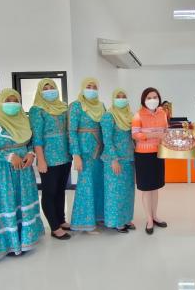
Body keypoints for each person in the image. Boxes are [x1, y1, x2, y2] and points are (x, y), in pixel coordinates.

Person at [0, 89, 44, 261]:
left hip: (23, 172)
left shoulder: (25, 121)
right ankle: (8, 244)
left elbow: (29, 143)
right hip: (2, 175)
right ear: (0, 102)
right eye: (8, 100)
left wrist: (31, 154)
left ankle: (26, 239)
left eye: (15, 100)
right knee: (7, 204)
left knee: (23, 201)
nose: (12, 103)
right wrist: (8, 156)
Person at [29, 79, 72, 240]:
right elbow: (37, 137)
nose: (49, 90)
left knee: (61, 190)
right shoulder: (37, 110)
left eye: (52, 87)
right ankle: (54, 227)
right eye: (45, 88)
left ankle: (61, 220)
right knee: (50, 192)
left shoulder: (63, 107)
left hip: (65, 155)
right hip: (48, 158)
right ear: (40, 92)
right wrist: (40, 159)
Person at [69, 77, 105, 233]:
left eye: (94, 87)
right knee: (86, 185)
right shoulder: (76, 106)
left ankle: (99, 217)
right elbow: (71, 131)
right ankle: (84, 222)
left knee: (99, 182)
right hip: (84, 152)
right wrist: (76, 155)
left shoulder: (101, 106)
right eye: (88, 86)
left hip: (100, 150)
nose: (91, 89)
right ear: (83, 88)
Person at [132, 87, 169, 235]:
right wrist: (153, 135)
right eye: (149, 98)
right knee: (147, 188)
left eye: (155, 97)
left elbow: (165, 131)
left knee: (155, 187)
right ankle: (149, 219)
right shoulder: (138, 115)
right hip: (143, 155)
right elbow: (135, 134)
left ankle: (155, 215)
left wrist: (163, 136)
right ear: (143, 100)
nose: (152, 100)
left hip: (158, 153)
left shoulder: (162, 113)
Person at [100, 88, 136, 233]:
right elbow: (107, 139)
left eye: (124, 96)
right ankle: (116, 221)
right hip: (114, 160)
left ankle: (126, 219)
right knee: (115, 192)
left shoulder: (130, 116)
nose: (121, 99)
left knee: (128, 191)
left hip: (129, 158)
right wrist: (114, 159)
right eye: (118, 96)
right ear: (113, 99)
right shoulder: (108, 116)